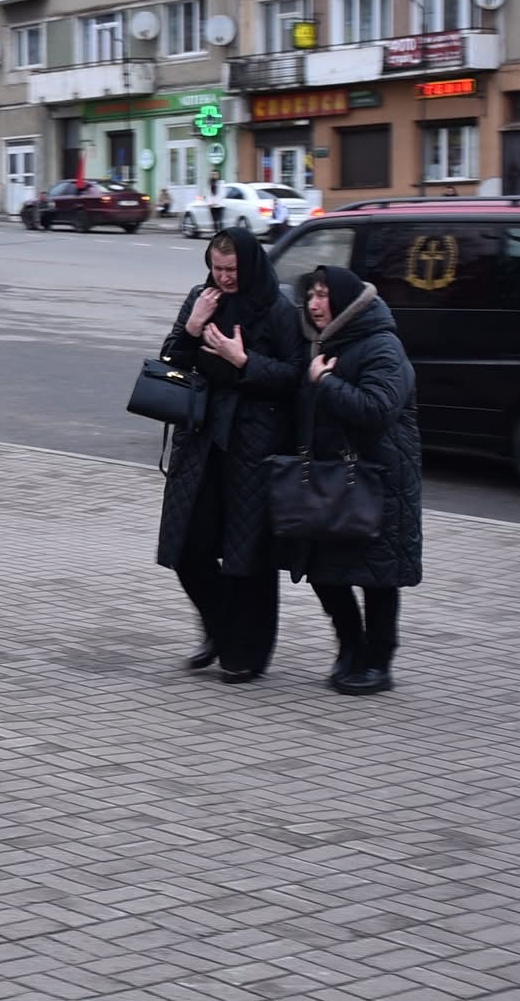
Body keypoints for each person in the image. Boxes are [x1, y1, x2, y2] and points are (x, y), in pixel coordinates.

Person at [154, 226, 305, 684]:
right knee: (187, 550)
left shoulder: (277, 309)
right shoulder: (202, 298)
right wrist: (194, 326)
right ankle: (220, 630)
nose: (223, 278)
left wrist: (244, 362)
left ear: (250, 265)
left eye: (231, 270)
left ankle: (248, 654)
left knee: (248, 559)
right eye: (216, 269)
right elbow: (170, 362)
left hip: (253, 447)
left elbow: (295, 376)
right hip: (201, 441)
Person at [292, 266, 422, 696]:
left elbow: (378, 408)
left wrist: (325, 381)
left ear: (345, 300)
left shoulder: (382, 345)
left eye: (323, 294)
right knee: (324, 569)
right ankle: (349, 646)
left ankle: (379, 662)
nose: (313, 303)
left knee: (376, 575)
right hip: (333, 477)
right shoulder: (323, 342)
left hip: (378, 478)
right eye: (311, 294)